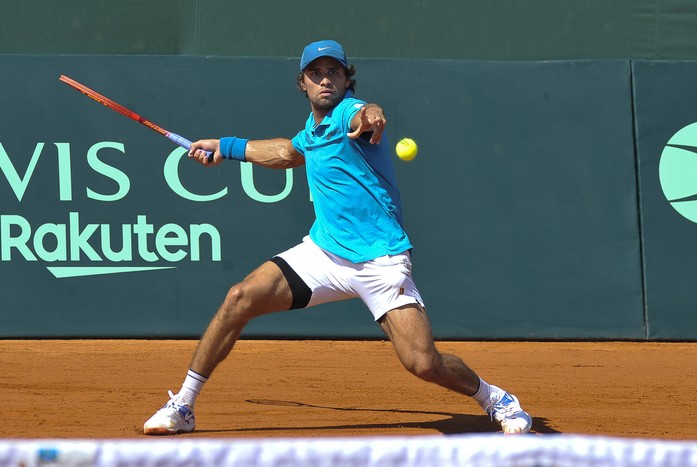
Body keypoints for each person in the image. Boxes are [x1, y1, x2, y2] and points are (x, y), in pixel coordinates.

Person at [143, 40, 532, 435]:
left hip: (380, 259)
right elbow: (286, 152)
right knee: (239, 297)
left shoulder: (349, 113)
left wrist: (372, 117)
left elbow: (368, 114)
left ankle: (494, 397)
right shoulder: (312, 133)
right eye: (316, 73)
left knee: (422, 363)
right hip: (325, 254)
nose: (325, 79)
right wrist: (224, 148)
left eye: (334, 72)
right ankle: (184, 406)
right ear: (303, 83)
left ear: (347, 79)